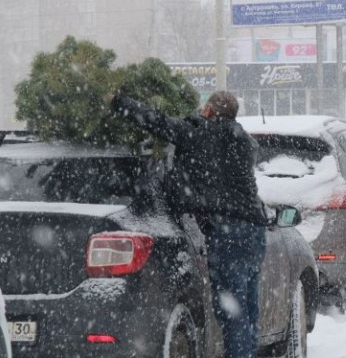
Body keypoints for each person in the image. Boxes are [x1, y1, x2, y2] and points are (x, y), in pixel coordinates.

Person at [111, 90, 268, 358]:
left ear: (208, 110)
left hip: (227, 231)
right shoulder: (244, 141)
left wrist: (119, 101)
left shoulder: (195, 133)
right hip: (254, 231)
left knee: (232, 313)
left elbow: (155, 120)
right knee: (247, 311)